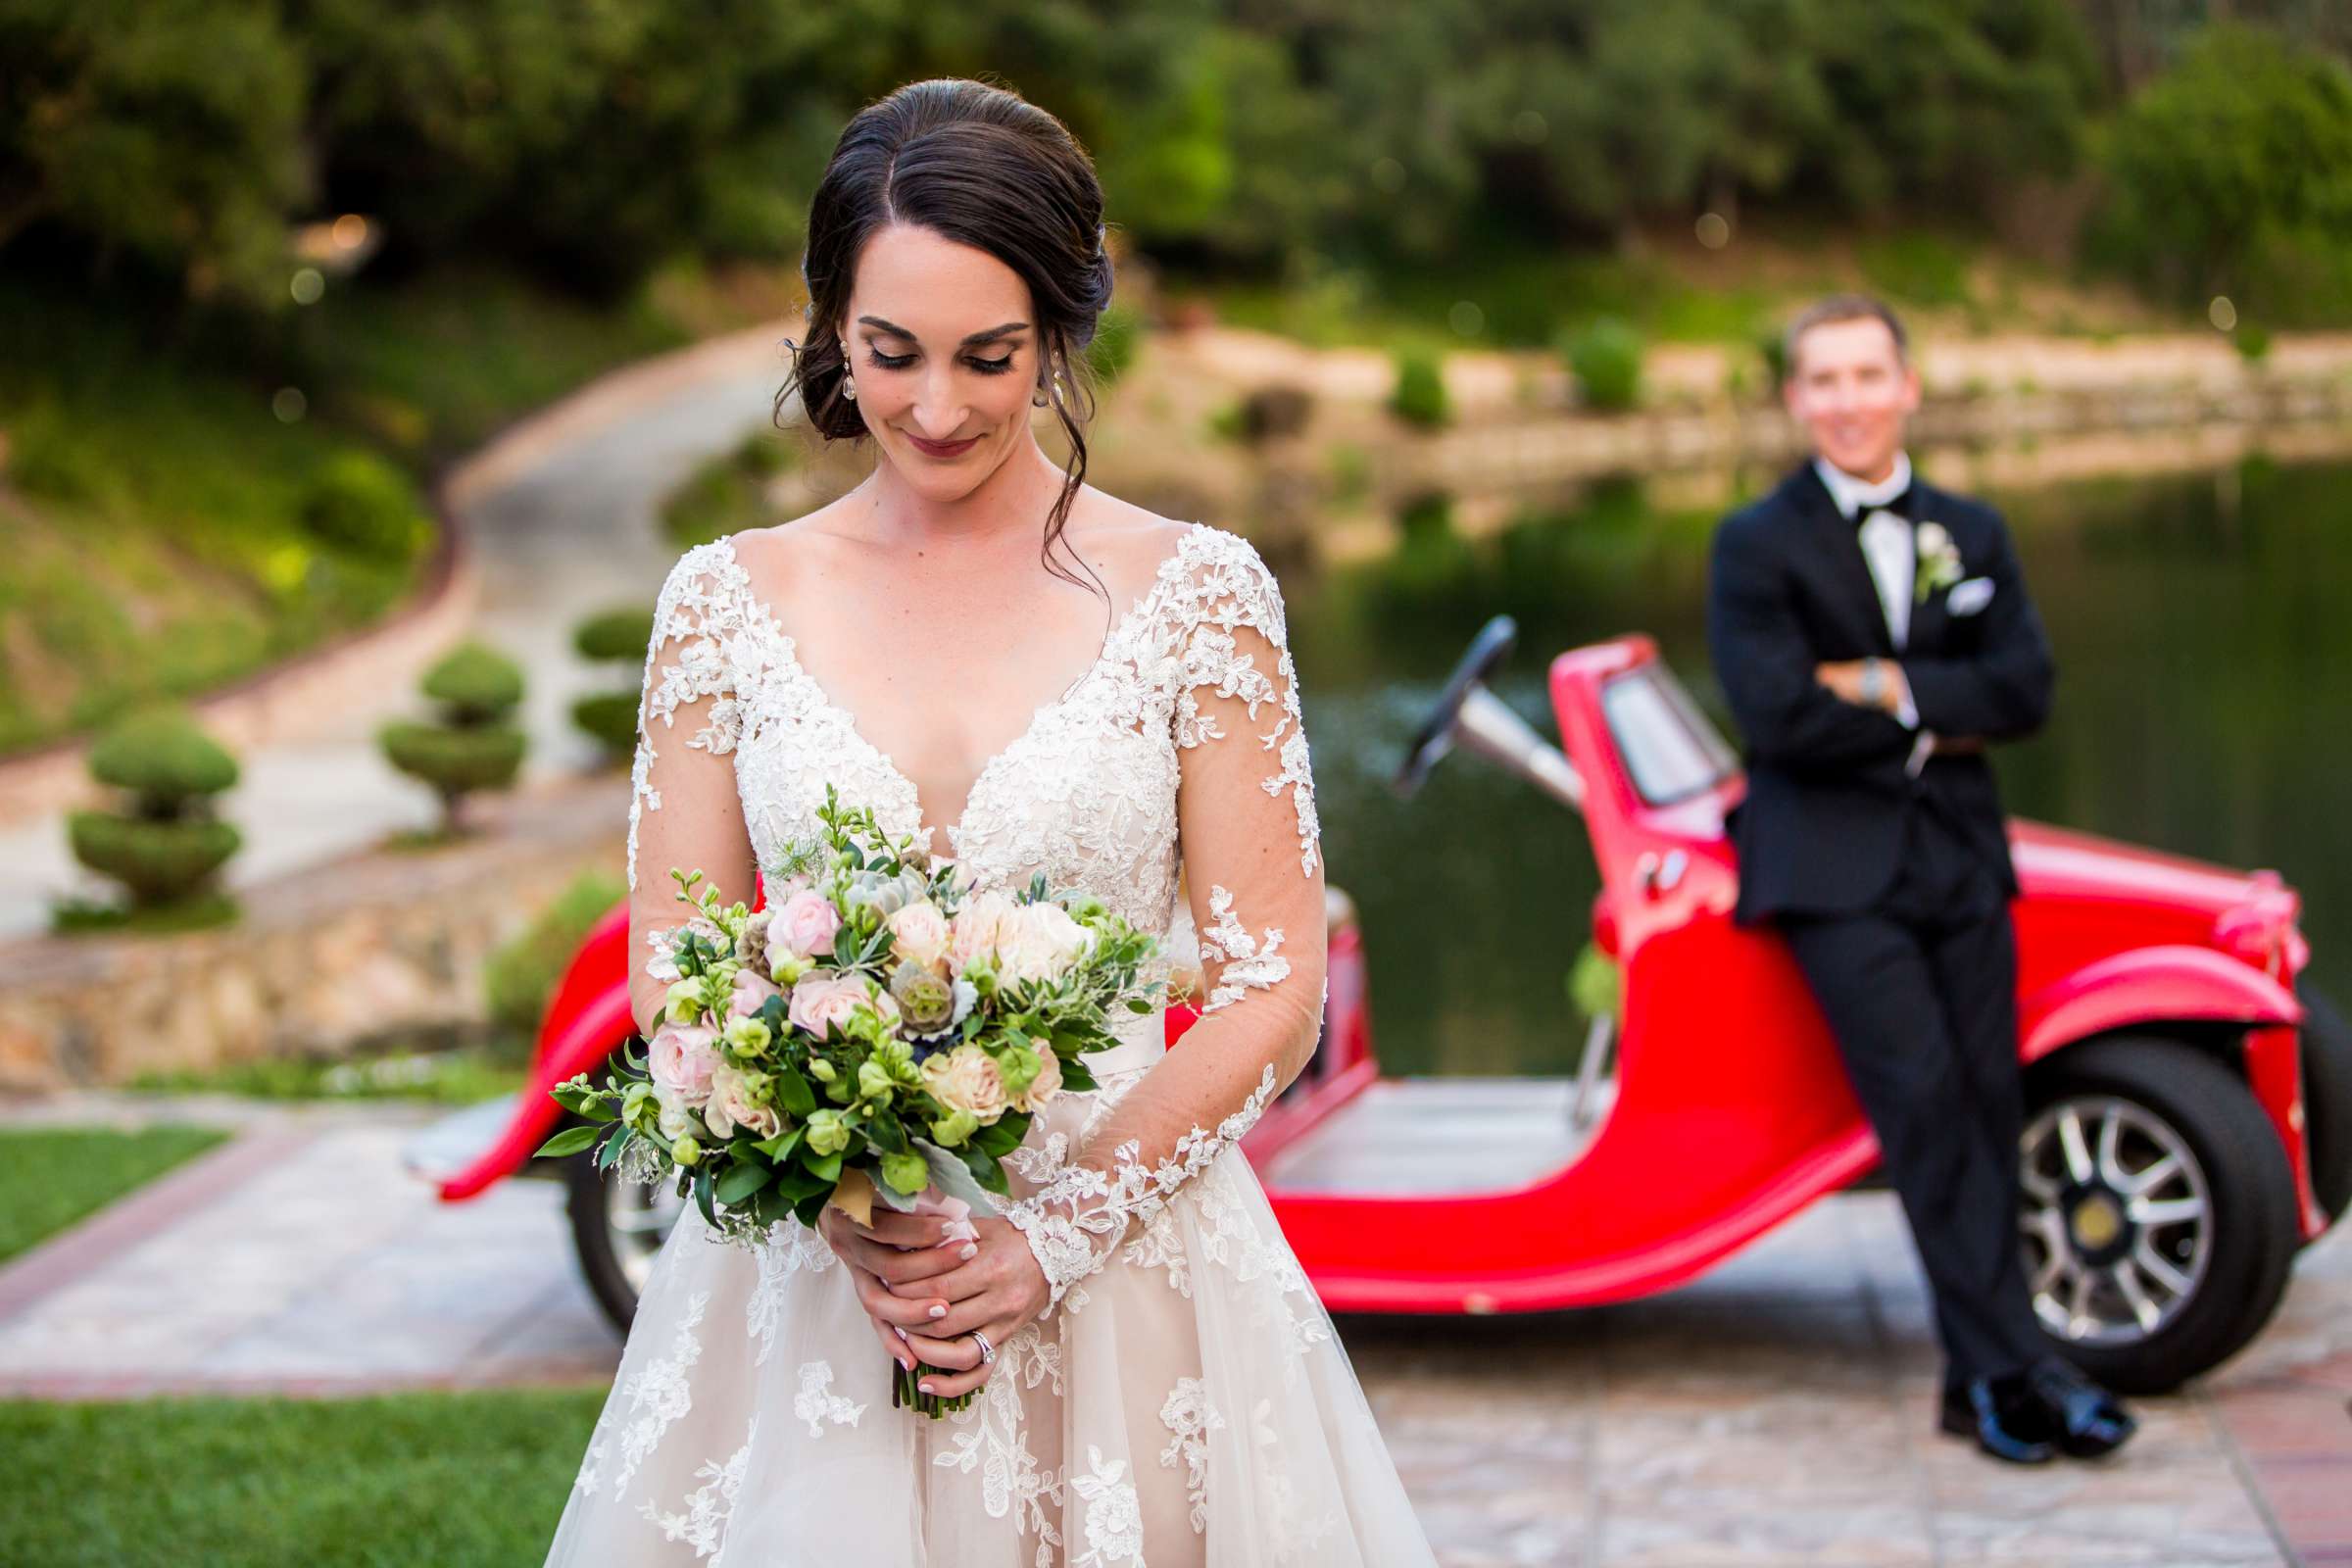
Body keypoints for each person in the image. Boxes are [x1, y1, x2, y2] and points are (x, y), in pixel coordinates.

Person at [542, 78, 1439, 1565]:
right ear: (832, 323)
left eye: (990, 356)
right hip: (824, 1291)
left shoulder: (1194, 596)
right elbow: (678, 966)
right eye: (891, 354)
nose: (938, 407)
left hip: (1137, 1279)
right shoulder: (725, 605)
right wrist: (835, 1200)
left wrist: (1058, 1234)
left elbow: (1274, 985)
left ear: (1063, 335)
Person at [1704, 295, 2136, 1465]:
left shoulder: (1971, 529)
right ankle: (2017, 1372)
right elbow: (1777, 716)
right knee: (1928, 1110)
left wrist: (1885, 688)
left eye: (1866, 374)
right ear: (1796, 400)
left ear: (1909, 387)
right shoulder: (1755, 541)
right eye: (1822, 380)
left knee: (1990, 1108)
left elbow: (2026, 691)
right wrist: (1939, 704)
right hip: (1833, 871)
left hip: (1960, 857)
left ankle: (1984, 1376)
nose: (1846, 400)